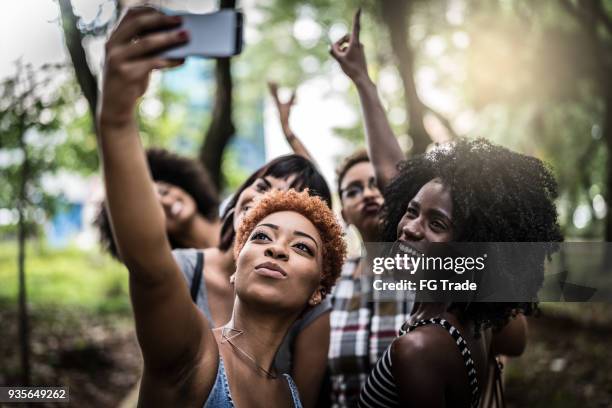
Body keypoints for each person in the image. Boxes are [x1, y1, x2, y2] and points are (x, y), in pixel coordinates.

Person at [98, 7, 337, 407]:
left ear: (320, 288)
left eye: (301, 247)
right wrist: (117, 119)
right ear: (238, 254)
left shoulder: (290, 394)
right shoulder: (193, 354)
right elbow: (149, 264)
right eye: (261, 236)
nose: (277, 247)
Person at [355, 138, 563, 408]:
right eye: (412, 211)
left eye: (437, 223)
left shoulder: (419, 349)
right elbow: (390, 175)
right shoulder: (473, 317)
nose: (411, 228)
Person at [327, 149, 411, 408]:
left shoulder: (429, 273)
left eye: (376, 183)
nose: (367, 193)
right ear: (343, 215)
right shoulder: (331, 283)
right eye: (353, 190)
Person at [96, 147, 221, 259]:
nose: (167, 202)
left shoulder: (236, 214)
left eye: (164, 191)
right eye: (155, 208)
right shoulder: (181, 277)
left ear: (180, 184)